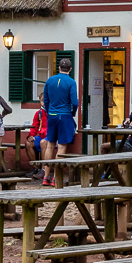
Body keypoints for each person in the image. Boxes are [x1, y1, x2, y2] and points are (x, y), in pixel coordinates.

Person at [39, 57, 79, 187]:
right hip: (65, 115)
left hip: (52, 115)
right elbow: (74, 102)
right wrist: (72, 113)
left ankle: (46, 176)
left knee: (50, 145)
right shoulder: (71, 82)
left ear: (59, 68)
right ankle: (57, 177)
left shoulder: (50, 80)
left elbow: (46, 99)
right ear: (70, 69)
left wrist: (50, 110)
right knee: (61, 147)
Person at [26, 106, 48, 178]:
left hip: (51, 136)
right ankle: (35, 168)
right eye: (42, 100)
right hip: (41, 135)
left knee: (43, 142)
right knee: (28, 143)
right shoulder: (39, 113)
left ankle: (44, 170)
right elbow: (34, 126)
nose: (44, 102)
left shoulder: (53, 111)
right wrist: (31, 136)